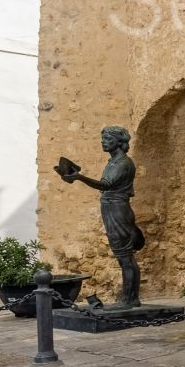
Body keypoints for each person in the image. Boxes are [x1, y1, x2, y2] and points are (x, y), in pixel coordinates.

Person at [56, 126, 146, 307]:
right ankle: (130, 298)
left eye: (108, 139)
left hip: (117, 210)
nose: (103, 142)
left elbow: (105, 184)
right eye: (103, 138)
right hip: (112, 209)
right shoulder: (113, 162)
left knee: (125, 257)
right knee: (124, 257)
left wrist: (79, 177)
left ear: (119, 142)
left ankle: (130, 299)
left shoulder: (123, 163)